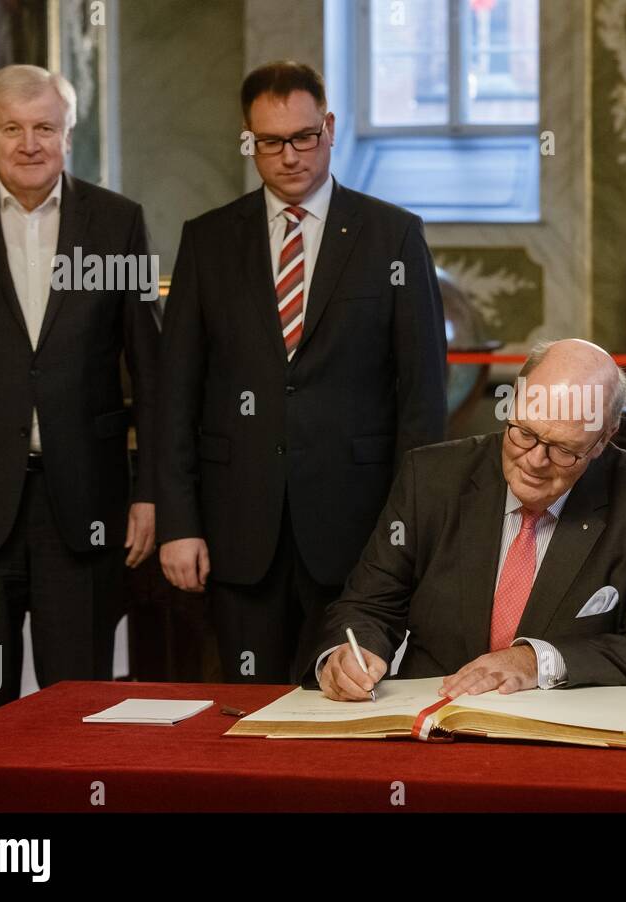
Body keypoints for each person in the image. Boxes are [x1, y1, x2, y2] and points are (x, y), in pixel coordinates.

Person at [157, 60, 447, 683]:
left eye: (303, 136)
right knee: (246, 710)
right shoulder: (207, 241)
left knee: (344, 711)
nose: (289, 156)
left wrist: (409, 531)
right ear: (248, 140)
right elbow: (174, 395)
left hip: (357, 531)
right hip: (238, 528)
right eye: (269, 141)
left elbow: (422, 399)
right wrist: (179, 524)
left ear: (330, 126)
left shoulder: (392, 236)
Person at [0, 65, 159, 728]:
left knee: (81, 709)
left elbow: (151, 378)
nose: (29, 143)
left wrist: (150, 493)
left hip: (84, 509)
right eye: (11, 129)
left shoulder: (117, 222)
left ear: (68, 134)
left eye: (45, 127)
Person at [305, 339, 626, 701]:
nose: (535, 461)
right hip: (432, 717)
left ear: (604, 439)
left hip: (559, 728)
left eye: (563, 449)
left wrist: (534, 661)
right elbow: (370, 605)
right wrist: (346, 654)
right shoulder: (430, 477)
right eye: (523, 433)